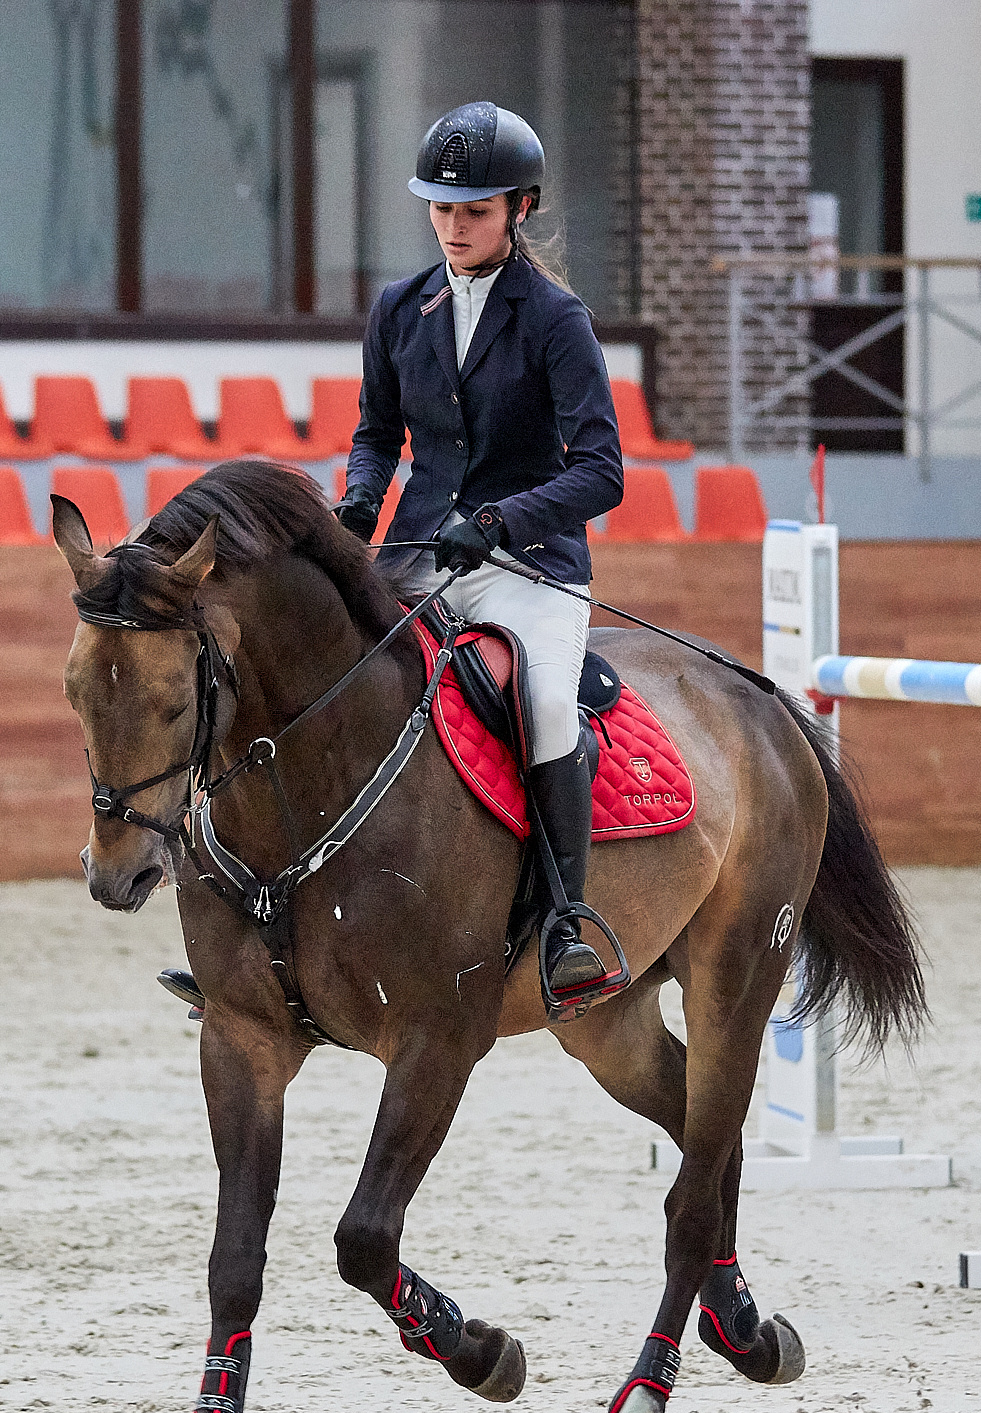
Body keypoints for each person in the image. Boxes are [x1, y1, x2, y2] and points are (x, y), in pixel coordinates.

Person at [334, 99, 627, 1012]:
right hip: (420, 550)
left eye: (475, 211)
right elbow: (378, 433)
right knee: (312, 669)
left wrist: (501, 521)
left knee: (542, 701)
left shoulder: (554, 319)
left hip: (530, 564)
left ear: (520, 210)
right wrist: (355, 505)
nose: (455, 226)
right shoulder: (399, 308)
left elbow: (603, 472)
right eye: (442, 209)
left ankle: (567, 921)